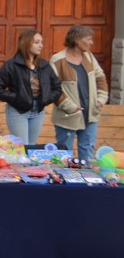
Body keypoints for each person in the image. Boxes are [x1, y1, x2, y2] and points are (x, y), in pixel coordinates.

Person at [0, 28, 61, 145]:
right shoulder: (12, 65)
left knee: (31, 147)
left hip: (38, 111)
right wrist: (17, 98)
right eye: (36, 42)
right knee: (22, 146)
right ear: (26, 43)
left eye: (41, 42)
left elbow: (57, 87)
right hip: (18, 111)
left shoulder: (44, 65)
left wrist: (46, 99)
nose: (41, 45)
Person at [50, 25, 109, 162]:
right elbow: (53, 89)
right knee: (64, 155)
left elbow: (100, 78)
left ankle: (86, 175)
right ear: (77, 39)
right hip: (67, 117)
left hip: (90, 114)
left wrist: (101, 99)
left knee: (87, 154)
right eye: (88, 39)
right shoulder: (57, 60)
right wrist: (70, 107)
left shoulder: (89, 56)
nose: (91, 42)